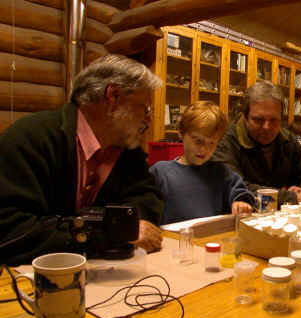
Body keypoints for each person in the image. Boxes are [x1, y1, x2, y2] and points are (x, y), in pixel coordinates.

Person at [0, 55, 164, 265]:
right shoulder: (30, 138)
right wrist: (110, 232)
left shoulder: (128, 151)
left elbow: (148, 197)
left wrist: (128, 226)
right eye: (145, 108)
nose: (148, 119)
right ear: (113, 95)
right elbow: (10, 229)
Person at [212, 80, 301, 206]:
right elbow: (234, 188)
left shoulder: (287, 139)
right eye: (258, 120)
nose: (267, 127)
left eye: (274, 120)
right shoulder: (225, 142)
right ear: (245, 117)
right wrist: (290, 198)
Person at [150, 101, 254, 225]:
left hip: (211, 240)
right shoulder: (161, 172)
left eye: (211, 143)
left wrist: (241, 203)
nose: (204, 149)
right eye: (198, 141)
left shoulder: (221, 173)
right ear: (181, 133)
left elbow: (241, 193)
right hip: (173, 241)